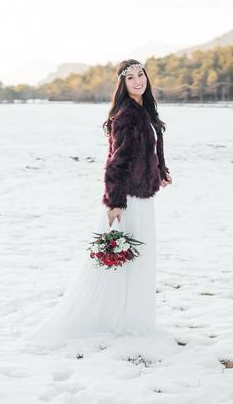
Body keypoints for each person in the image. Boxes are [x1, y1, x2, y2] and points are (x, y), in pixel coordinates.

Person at [26, 59, 172, 343]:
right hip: (128, 197)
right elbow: (115, 162)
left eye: (140, 75)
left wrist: (161, 172)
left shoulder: (146, 110)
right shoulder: (127, 115)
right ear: (123, 84)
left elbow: (153, 147)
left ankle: (130, 316)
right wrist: (114, 201)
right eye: (130, 78)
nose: (138, 81)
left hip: (144, 193)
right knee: (124, 261)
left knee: (137, 261)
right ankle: (113, 319)